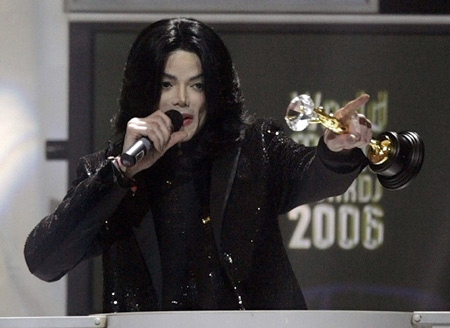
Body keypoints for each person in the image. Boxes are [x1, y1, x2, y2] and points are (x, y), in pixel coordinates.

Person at [24, 17, 372, 312]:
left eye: (197, 85)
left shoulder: (254, 149)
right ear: (144, 88)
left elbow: (314, 175)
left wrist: (336, 153)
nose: (181, 99)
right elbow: (44, 260)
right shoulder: (110, 171)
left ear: (214, 91)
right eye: (167, 84)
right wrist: (121, 172)